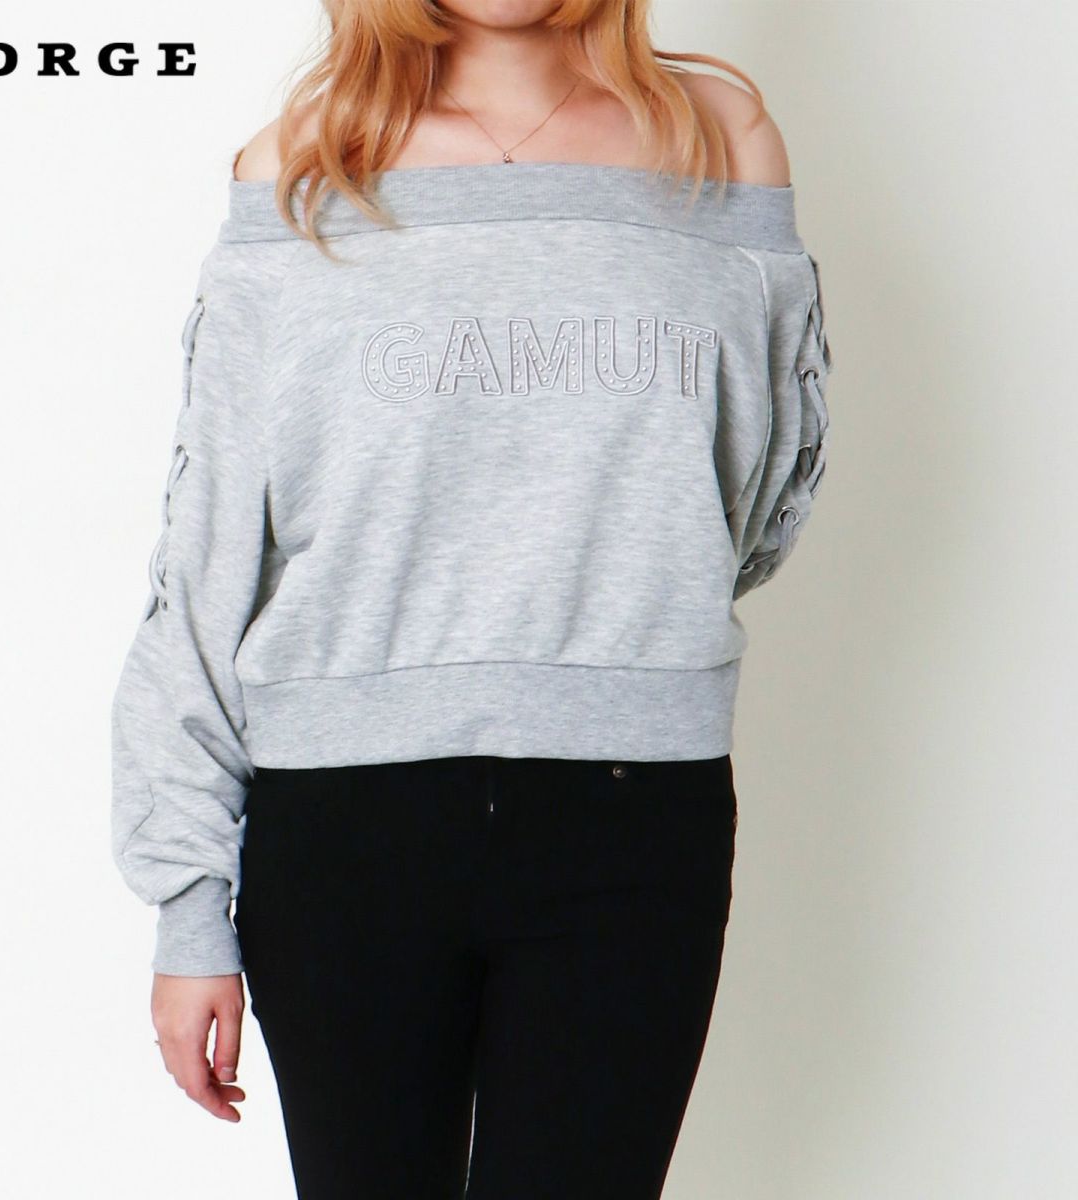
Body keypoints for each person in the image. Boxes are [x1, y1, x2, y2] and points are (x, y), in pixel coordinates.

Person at [110, 1, 834, 1195]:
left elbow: (755, 490)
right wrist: (188, 909)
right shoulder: (302, 161)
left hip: (636, 816)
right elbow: (210, 549)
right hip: (343, 828)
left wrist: (611, 601)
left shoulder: (724, 141)